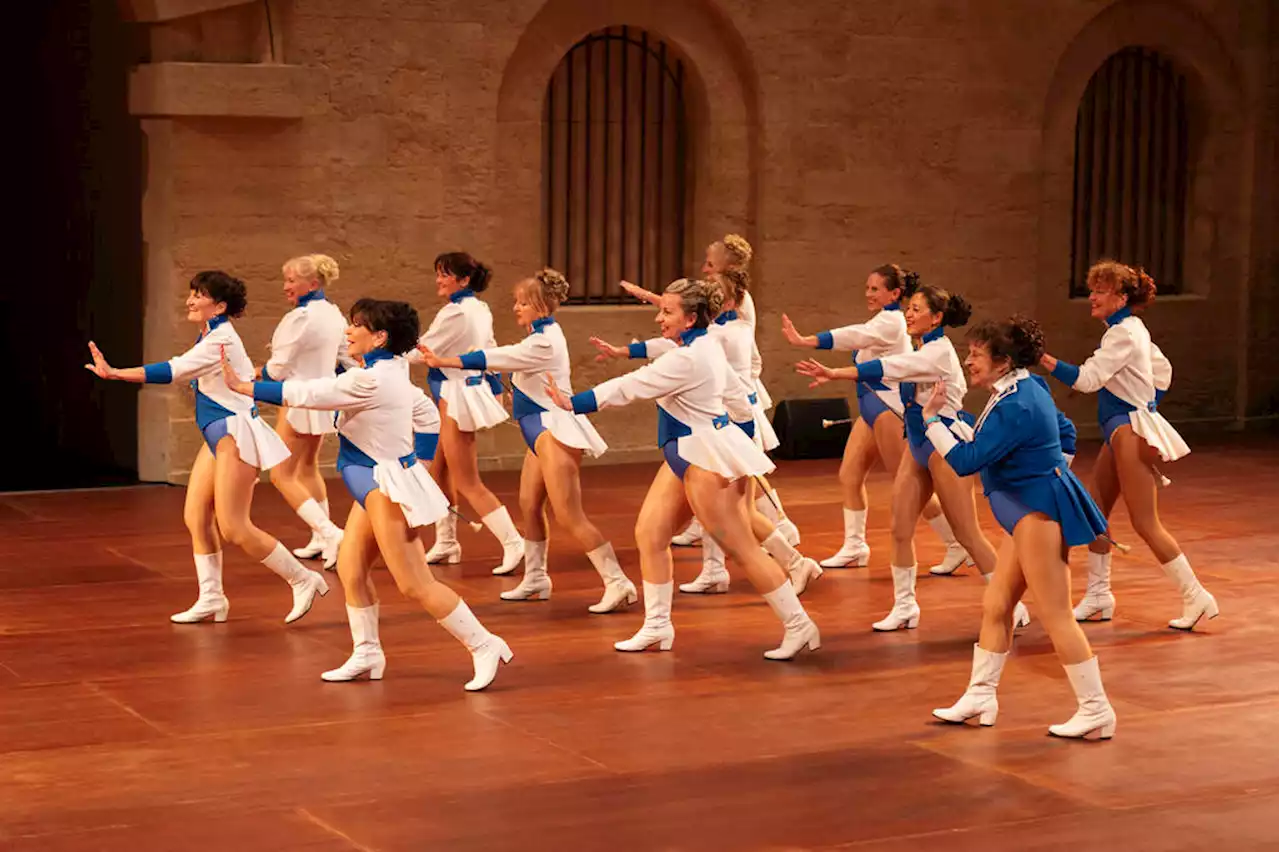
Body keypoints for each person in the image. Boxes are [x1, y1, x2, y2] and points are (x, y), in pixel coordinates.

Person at [223, 298, 512, 691]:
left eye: (357, 324)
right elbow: (427, 415)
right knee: (351, 568)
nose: (348, 330)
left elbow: (311, 393)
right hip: (375, 486)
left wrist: (244, 387)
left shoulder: (370, 380)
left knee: (414, 584)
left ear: (379, 337)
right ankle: (367, 653)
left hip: (383, 489)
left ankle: (485, 644)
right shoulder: (389, 372)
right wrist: (420, 463)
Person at [546, 278, 821, 659]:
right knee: (650, 533)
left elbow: (632, 385)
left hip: (703, 457)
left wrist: (573, 402)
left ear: (690, 319)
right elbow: (738, 398)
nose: (659, 317)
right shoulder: (705, 345)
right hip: (690, 454)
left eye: (667, 311)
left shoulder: (688, 357)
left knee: (742, 548)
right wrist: (739, 441)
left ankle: (799, 625)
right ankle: (658, 626)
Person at [84, 271, 328, 624]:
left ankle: (303, 578)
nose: (190, 301)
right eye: (191, 294)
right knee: (196, 516)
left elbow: (175, 370)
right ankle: (212, 598)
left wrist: (116, 373)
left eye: (198, 295)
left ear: (220, 305)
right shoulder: (209, 334)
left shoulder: (221, 340)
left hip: (235, 435)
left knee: (234, 526)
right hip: (217, 435)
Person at [796, 284, 1032, 631]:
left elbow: (891, 366)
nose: (909, 314)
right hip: (918, 443)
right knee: (900, 528)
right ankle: (905, 606)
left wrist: (835, 373)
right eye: (909, 308)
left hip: (946, 444)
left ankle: (1011, 602)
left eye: (917, 309)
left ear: (937, 318)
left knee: (968, 534)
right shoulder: (923, 345)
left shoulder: (937, 353)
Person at [927, 316, 1116, 739]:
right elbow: (1064, 432)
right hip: (1023, 514)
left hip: (1036, 515)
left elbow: (964, 462)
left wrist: (931, 421)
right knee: (997, 605)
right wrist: (1052, 467)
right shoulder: (1022, 388)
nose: (968, 361)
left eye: (976, 355)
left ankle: (1097, 709)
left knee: (1056, 615)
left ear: (1002, 361)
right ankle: (981, 695)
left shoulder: (1019, 403)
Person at [417, 269, 638, 613]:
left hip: (555, 431)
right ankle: (536, 577)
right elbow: (506, 360)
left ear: (541, 305)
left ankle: (617, 582)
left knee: (569, 515)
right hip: (539, 433)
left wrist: (444, 359)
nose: (516, 309)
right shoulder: (538, 336)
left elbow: (495, 357)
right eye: (517, 302)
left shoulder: (544, 341)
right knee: (529, 505)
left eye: (523, 303)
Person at [592, 269, 823, 596]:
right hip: (721, 426)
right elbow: (671, 338)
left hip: (726, 429)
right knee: (733, 514)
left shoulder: (725, 335)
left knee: (732, 517)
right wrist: (624, 349)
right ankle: (774, 565)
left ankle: (782, 571)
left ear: (724, 302)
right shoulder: (713, 334)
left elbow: (668, 349)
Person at [1042, 260, 1217, 630]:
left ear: (1121, 297)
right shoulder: (1131, 329)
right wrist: (1147, 400)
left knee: (1145, 522)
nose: (1092, 297)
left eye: (1100, 291)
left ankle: (1196, 595)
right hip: (1121, 429)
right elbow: (1163, 370)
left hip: (1128, 431)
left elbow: (1087, 380)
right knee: (1095, 512)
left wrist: (1043, 359)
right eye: (1092, 290)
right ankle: (1099, 595)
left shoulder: (1123, 333)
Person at [781, 264, 975, 575]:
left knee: (911, 487)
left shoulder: (893, 322)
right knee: (849, 475)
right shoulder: (884, 319)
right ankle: (855, 545)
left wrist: (807, 341)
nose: (869, 293)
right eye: (868, 287)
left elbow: (856, 337)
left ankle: (956, 542)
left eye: (876, 289)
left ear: (894, 293)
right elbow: (861, 334)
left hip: (888, 410)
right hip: (870, 408)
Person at [620, 234, 801, 547]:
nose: (703, 268)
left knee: (741, 477)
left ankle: (779, 529)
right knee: (726, 476)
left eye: (710, 264)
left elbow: (696, 318)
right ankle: (721, 529)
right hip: (724, 390)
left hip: (729, 395)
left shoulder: (732, 316)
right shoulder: (721, 315)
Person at [406, 252, 524, 576]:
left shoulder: (455, 313)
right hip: (455, 392)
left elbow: (424, 351)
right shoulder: (479, 308)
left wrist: (385, 352)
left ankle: (513, 541)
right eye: (438, 273)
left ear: (464, 279)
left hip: (456, 395)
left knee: (467, 480)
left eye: (444, 274)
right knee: (439, 472)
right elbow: (489, 347)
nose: (438, 280)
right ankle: (447, 542)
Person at [262, 253, 355, 570]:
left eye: (291, 280)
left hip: (298, 397)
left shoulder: (300, 318)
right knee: (307, 468)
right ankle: (320, 535)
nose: (286, 286)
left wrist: (257, 376)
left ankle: (330, 532)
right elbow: (348, 355)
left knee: (280, 473)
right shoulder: (332, 313)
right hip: (323, 396)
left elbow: (278, 368)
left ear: (312, 283)